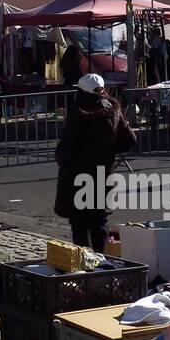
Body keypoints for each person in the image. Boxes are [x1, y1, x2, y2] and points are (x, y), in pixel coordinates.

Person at [54, 74, 123, 250]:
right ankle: (102, 260)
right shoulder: (113, 108)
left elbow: (67, 146)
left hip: (79, 174)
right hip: (103, 172)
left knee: (80, 221)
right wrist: (110, 151)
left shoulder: (79, 112)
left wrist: (62, 158)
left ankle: (85, 261)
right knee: (100, 220)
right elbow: (130, 139)